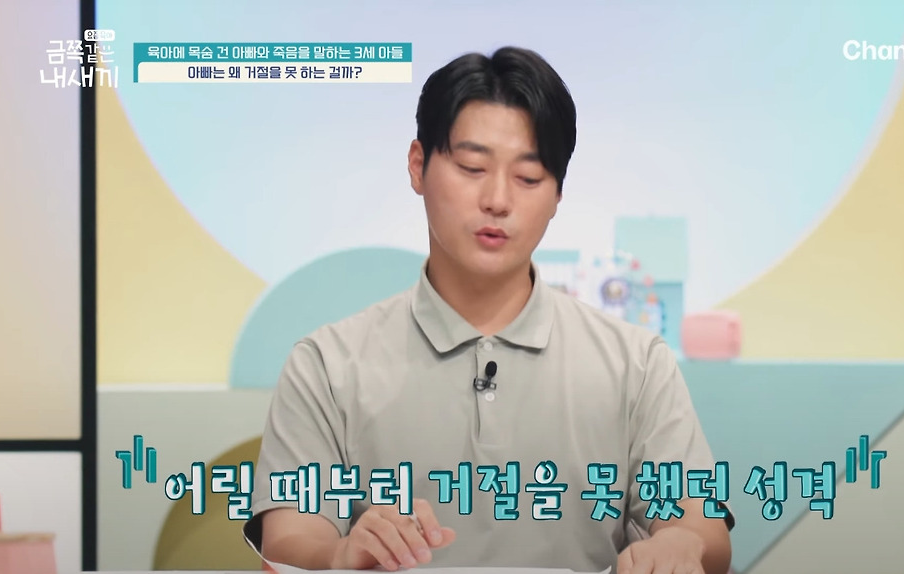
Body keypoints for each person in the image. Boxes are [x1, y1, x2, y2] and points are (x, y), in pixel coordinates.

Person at [243, 46, 734, 573]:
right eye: (472, 167)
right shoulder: (327, 365)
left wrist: (682, 547)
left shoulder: (636, 364)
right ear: (418, 165)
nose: (498, 200)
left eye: (529, 178)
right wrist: (341, 554)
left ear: (558, 193)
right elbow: (289, 541)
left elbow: (700, 530)